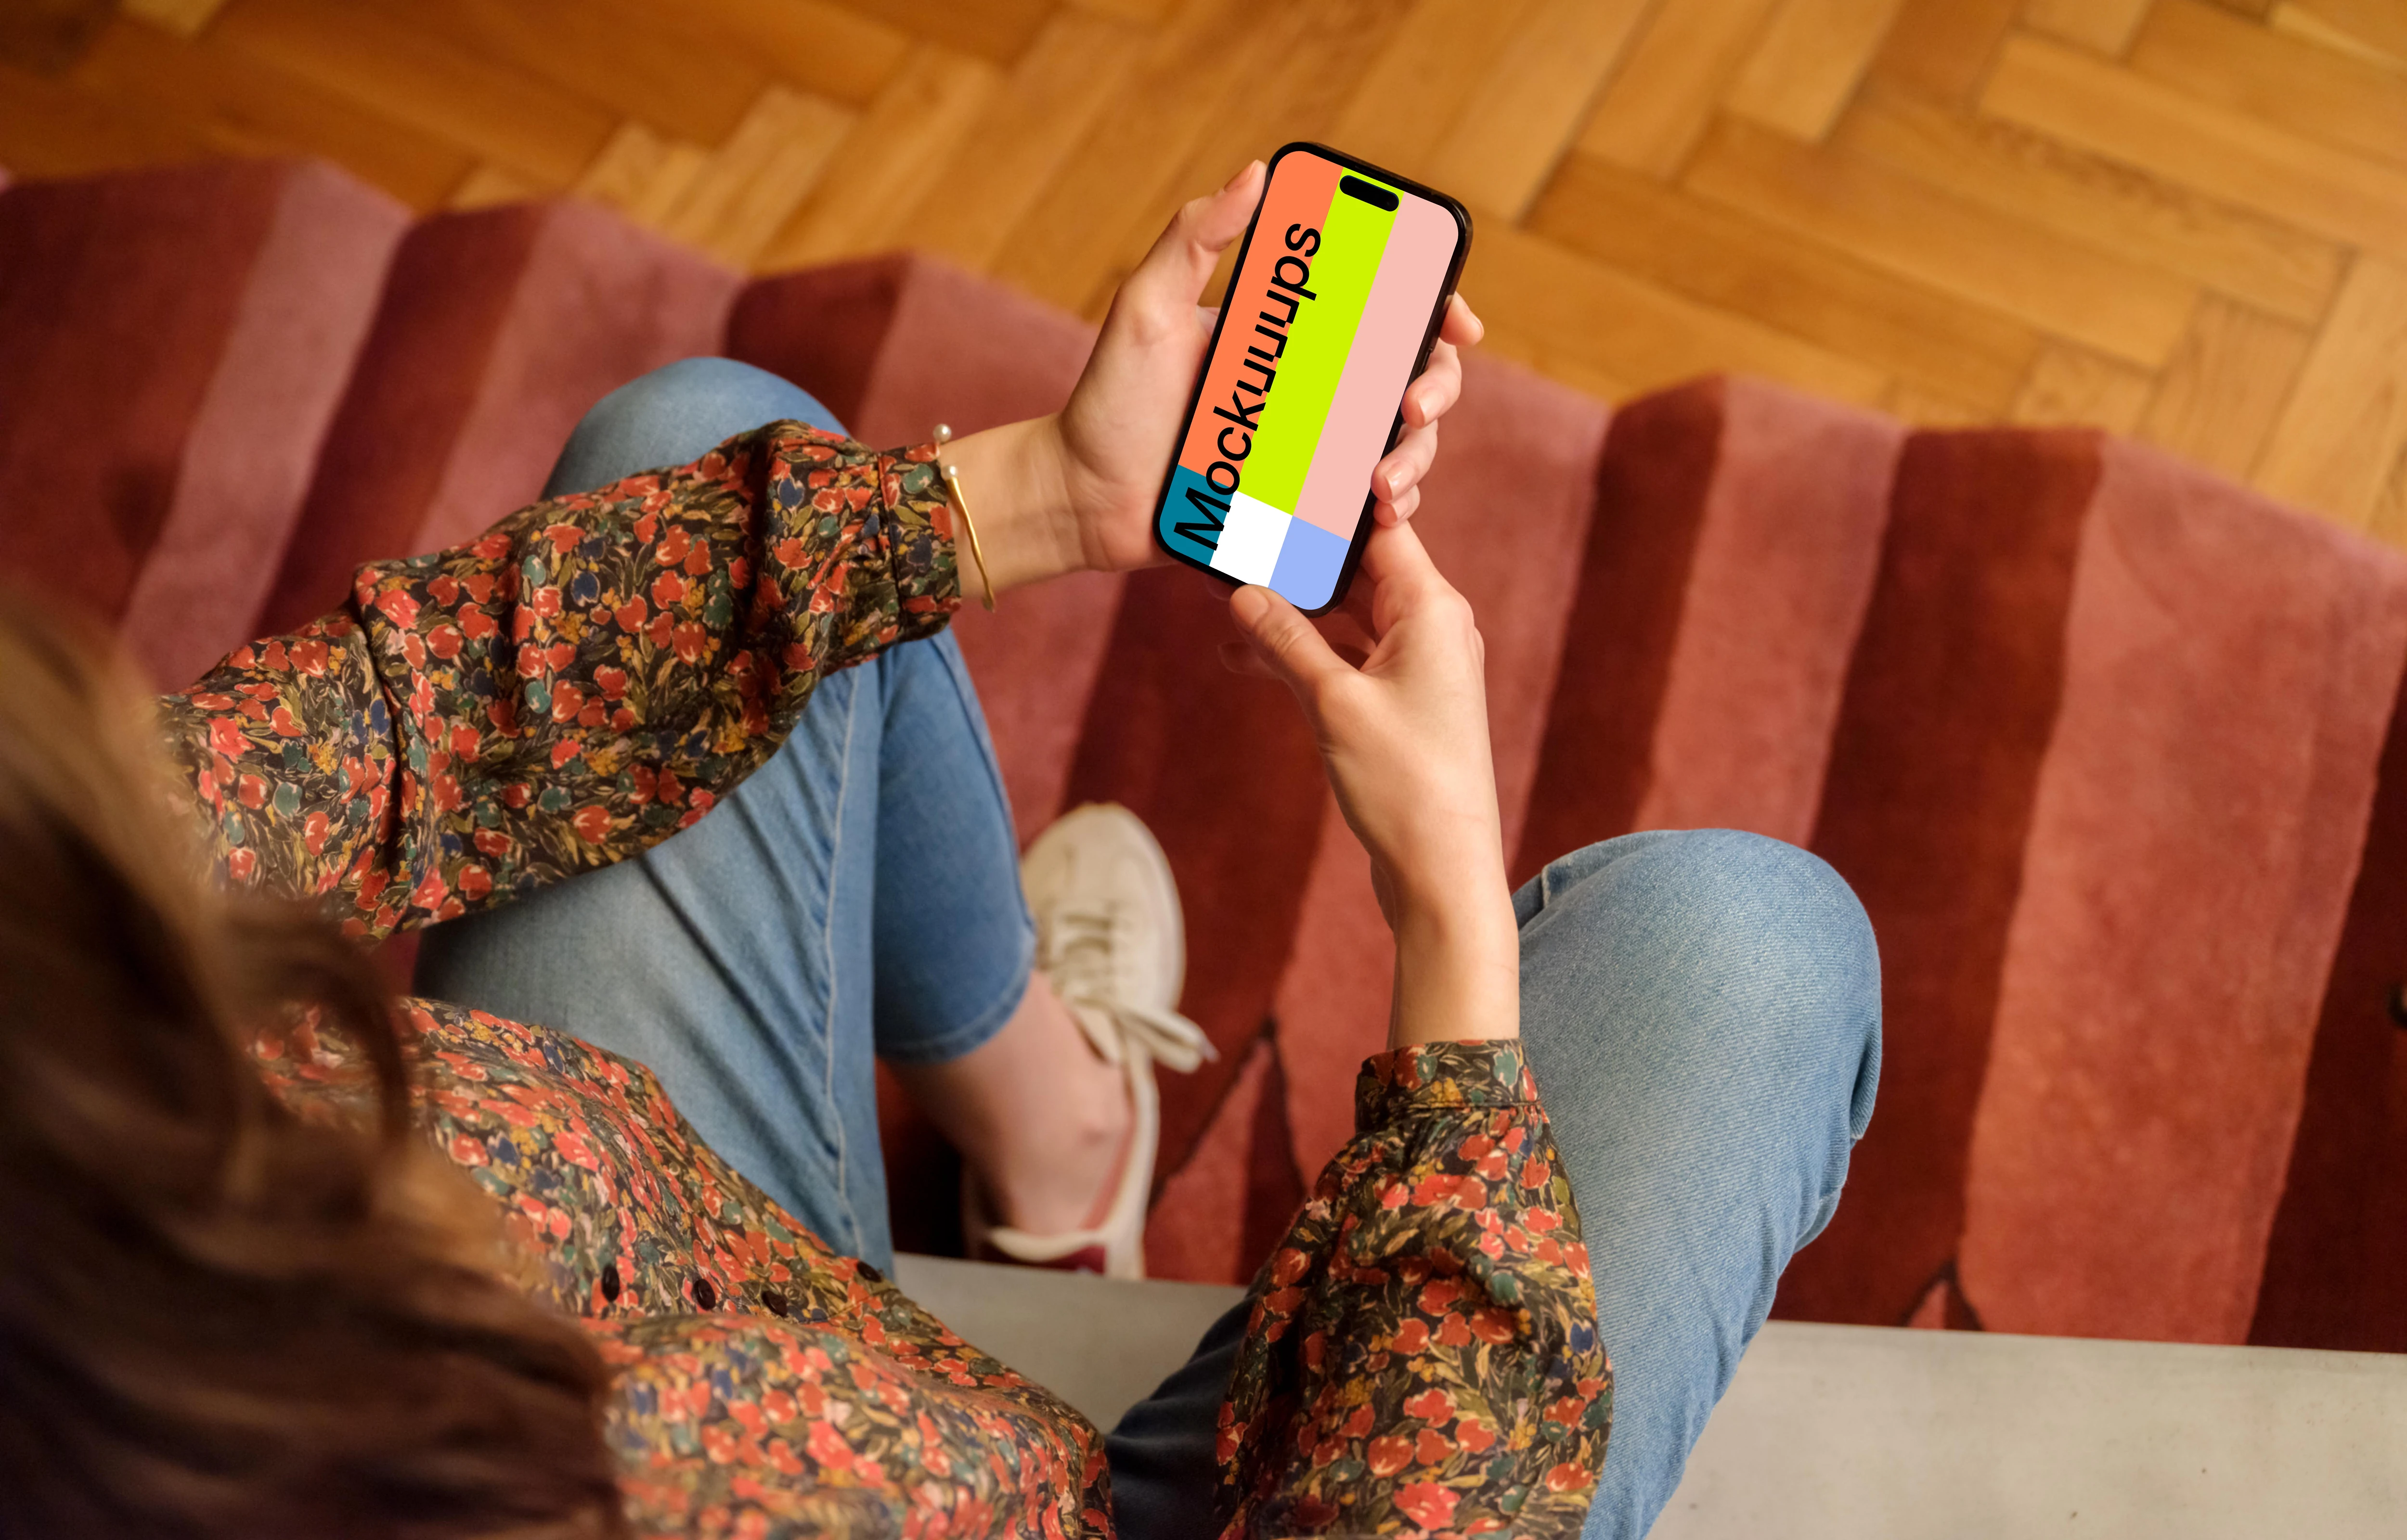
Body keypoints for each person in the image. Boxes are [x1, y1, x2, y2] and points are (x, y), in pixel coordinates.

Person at [0, 160, 1878, 1540]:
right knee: (1743, 944)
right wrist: (1448, 938)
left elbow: (382, 728)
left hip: (671, 1262)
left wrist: (1042, 491)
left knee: (701, 430)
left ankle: (1049, 1133)